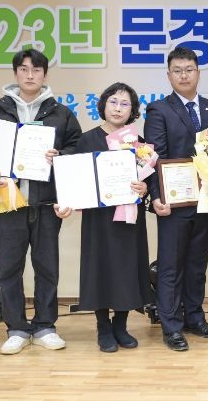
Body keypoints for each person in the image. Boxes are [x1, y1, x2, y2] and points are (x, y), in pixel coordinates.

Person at [0, 48, 81, 354]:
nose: (30, 76)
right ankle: (16, 328)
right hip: (8, 205)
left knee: (47, 268)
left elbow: (77, 148)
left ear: (45, 74)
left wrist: (60, 156)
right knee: (9, 269)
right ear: (16, 72)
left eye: (36, 70)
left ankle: (45, 326)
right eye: (24, 69)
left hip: (46, 205)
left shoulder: (61, 113)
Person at [144, 47, 208, 352]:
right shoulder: (159, 110)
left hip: (206, 201)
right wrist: (156, 196)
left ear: (198, 72)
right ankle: (172, 325)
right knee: (171, 266)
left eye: (189, 69)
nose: (184, 75)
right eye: (177, 70)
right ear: (169, 75)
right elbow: (154, 157)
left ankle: (194, 317)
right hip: (173, 204)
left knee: (197, 264)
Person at [75, 82, 153, 352]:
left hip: (129, 218)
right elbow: (75, 177)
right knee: (99, 267)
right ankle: (103, 327)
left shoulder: (138, 143)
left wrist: (144, 188)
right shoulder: (86, 140)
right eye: (113, 102)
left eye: (125, 104)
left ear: (132, 110)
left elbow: (148, 181)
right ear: (103, 105)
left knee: (126, 268)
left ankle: (121, 325)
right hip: (98, 219)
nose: (118, 108)